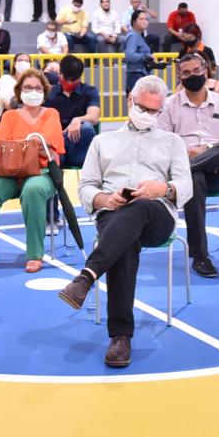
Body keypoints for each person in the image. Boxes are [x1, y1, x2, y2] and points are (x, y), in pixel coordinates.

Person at [57, 76, 192, 368]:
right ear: (129, 100)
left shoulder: (172, 142)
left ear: (162, 110)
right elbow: (86, 188)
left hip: (158, 216)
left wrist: (163, 189)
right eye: (141, 107)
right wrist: (106, 200)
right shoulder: (102, 141)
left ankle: (86, 277)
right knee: (126, 243)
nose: (146, 114)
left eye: (154, 111)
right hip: (112, 215)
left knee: (141, 206)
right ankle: (120, 337)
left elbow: (185, 185)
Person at [157, 53, 219, 278]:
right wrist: (187, 152)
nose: (192, 76)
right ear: (180, 76)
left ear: (206, 72)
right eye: (186, 73)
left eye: (196, 71)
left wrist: (207, 150)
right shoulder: (169, 105)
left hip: (218, 169)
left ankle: (193, 166)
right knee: (194, 179)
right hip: (183, 168)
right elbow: (163, 144)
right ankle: (200, 255)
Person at [0, 67, 65, 274]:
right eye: (27, 87)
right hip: (10, 173)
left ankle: (34, 254)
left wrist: (24, 145)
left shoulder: (51, 113)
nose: (32, 91)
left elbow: (49, 145)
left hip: (41, 173)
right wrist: (33, 144)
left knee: (33, 191)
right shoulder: (9, 116)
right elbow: (3, 147)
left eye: (37, 87)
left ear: (44, 91)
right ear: (19, 91)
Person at [44, 54, 100, 169]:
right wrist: (62, 134)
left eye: (73, 80)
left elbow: (94, 117)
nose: (69, 83)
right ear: (60, 74)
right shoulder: (49, 93)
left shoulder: (89, 91)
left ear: (79, 77)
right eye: (66, 80)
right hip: (57, 144)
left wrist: (78, 120)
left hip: (78, 145)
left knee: (87, 128)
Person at [122, 10, 154, 94]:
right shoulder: (133, 36)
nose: (145, 22)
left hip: (141, 75)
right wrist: (146, 56)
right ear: (134, 22)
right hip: (135, 76)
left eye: (146, 19)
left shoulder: (139, 36)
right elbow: (130, 55)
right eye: (141, 19)